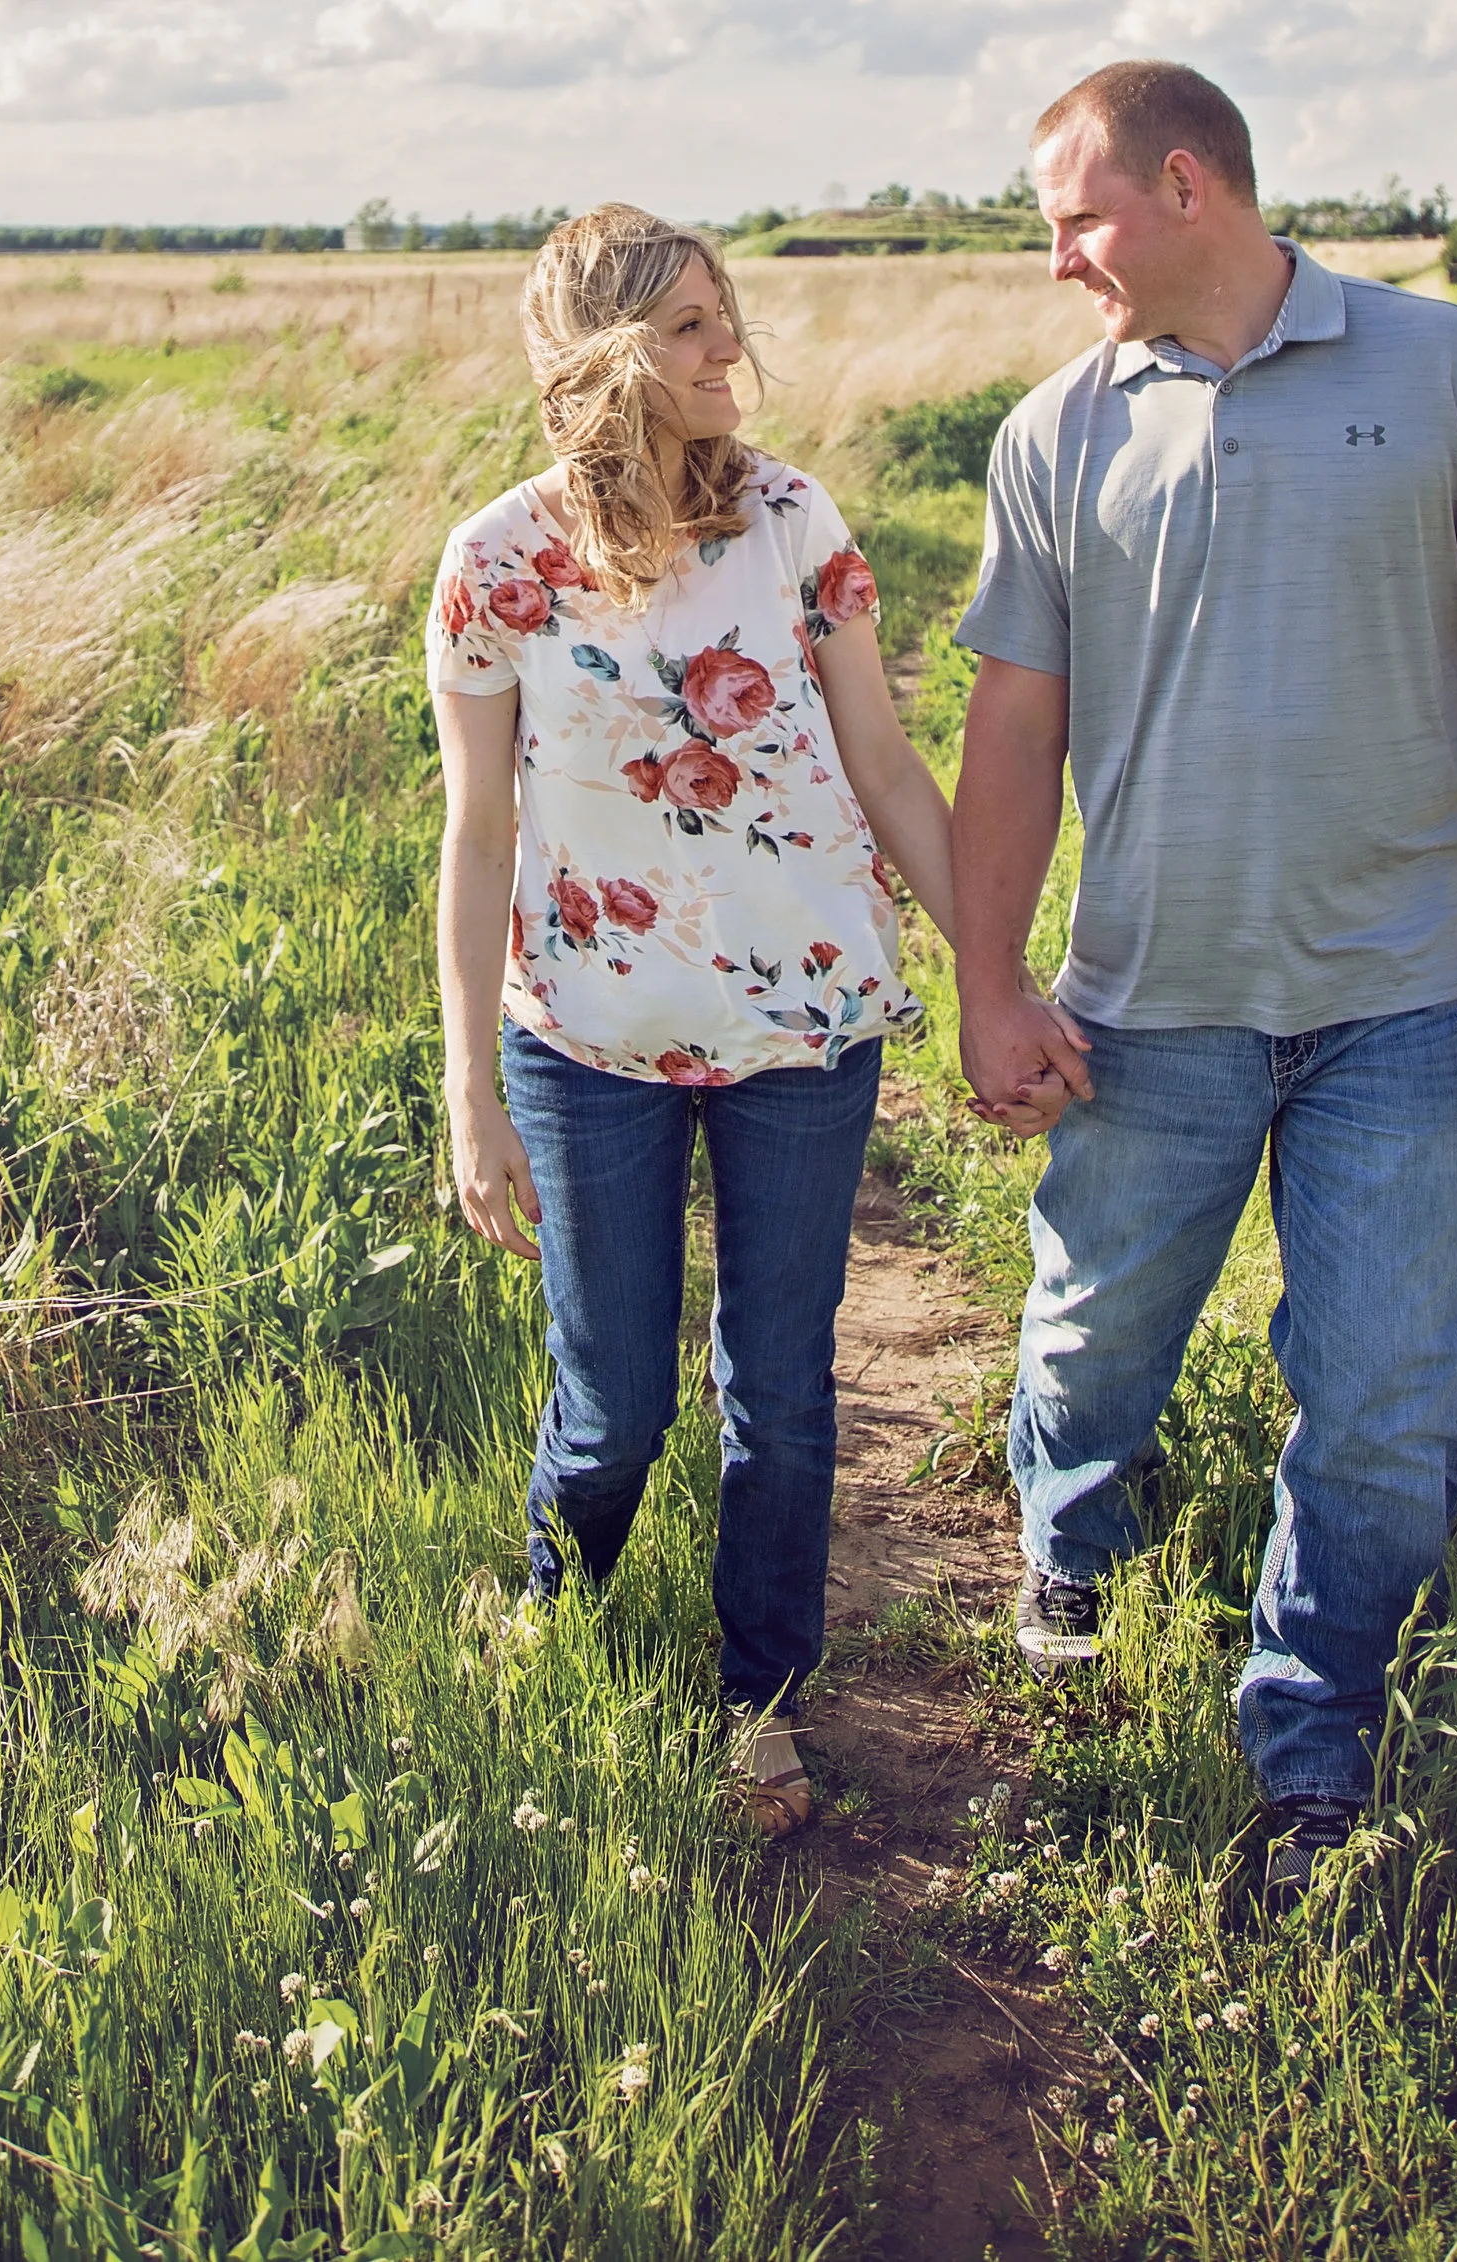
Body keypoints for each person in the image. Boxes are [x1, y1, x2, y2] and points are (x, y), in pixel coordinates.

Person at [951, 62, 1457, 1908]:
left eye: (1076, 218)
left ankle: (1310, 1734)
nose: (1060, 257)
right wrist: (989, 980)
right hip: (1153, 996)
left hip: (1397, 1000)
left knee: (1394, 1393)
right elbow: (1014, 728)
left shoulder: (1445, 372)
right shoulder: (1054, 432)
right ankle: (1069, 1541)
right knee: (1095, 1341)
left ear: (1187, 186)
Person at [429, 202, 956, 1833]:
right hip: (584, 1039)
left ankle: (762, 1697)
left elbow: (882, 765)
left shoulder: (796, 521)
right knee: (616, 1405)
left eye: (728, 316)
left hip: (803, 1029)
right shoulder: (496, 564)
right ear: (601, 361)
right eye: (692, 328)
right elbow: (479, 833)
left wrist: (989, 962)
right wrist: (469, 1087)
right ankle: (554, 1603)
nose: (736, 349)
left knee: (782, 1389)